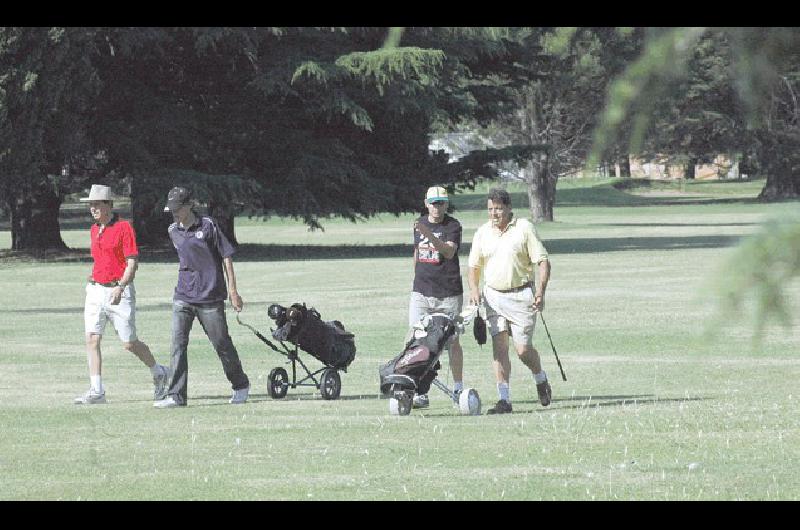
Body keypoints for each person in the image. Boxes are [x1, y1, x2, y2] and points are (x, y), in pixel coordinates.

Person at [154, 186, 250, 408]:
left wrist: (233, 291)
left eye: (178, 208)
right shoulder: (172, 230)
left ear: (189, 206)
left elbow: (226, 257)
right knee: (177, 344)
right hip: (183, 296)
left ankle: (240, 385)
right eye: (172, 209)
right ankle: (176, 396)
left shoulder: (209, 226)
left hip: (211, 296)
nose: (174, 213)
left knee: (221, 344)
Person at [75, 184, 170, 405]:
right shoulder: (94, 229)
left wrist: (121, 286)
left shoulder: (124, 227)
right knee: (91, 339)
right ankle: (97, 390)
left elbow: (132, 262)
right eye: (91, 205)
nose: (93, 209)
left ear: (109, 205)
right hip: (95, 290)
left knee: (129, 343)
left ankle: (159, 372)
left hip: (119, 290)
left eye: (97, 204)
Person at [467, 188, 552, 414]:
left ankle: (540, 377)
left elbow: (542, 261)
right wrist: (474, 289)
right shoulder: (482, 233)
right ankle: (504, 399)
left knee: (523, 350)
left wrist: (541, 292)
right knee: (499, 346)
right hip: (493, 296)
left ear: (508, 208)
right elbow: (473, 267)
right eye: (490, 209)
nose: (494, 214)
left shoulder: (524, 228)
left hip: (522, 295)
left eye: (498, 209)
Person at [408, 186, 465, 408]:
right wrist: (417, 278)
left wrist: (428, 233)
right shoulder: (419, 224)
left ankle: (458, 385)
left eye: (441, 203)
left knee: (451, 341)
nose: (437, 207)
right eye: (433, 203)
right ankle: (418, 389)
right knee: (417, 339)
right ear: (426, 203)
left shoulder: (453, 226)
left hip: (448, 293)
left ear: (446, 204)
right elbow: (417, 253)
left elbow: (449, 252)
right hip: (422, 291)